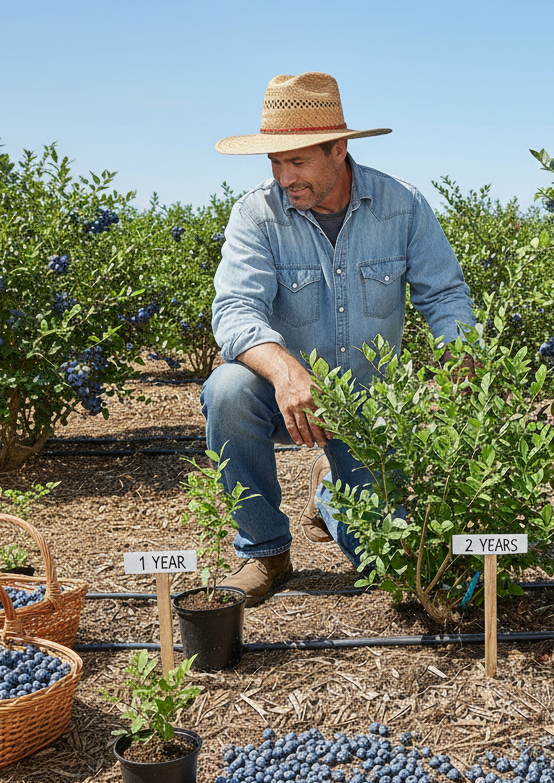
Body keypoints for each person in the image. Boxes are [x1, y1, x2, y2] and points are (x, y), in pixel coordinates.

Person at [202, 71, 476, 606]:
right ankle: (265, 551)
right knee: (227, 389)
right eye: (275, 163)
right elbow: (235, 310)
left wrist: (459, 361)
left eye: (297, 161)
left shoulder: (403, 207)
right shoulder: (255, 215)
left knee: (392, 572)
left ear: (339, 150)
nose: (284, 177)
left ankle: (328, 485)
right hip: (287, 402)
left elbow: (444, 296)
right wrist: (286, 372)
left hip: (371, 410)